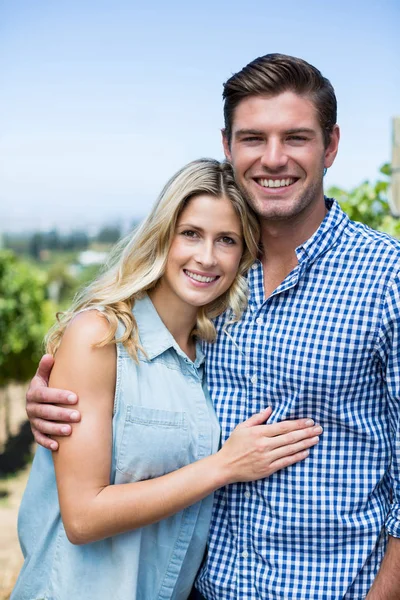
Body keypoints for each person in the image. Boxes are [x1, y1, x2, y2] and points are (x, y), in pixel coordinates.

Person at [25, 54, 400, 599]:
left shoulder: (387, 278)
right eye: (253, 138)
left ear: (331, 145)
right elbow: (133, 381)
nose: (274, 159)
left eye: (295, 137)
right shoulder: (211, 289)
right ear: (228, 146)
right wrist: (57, 398)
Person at [13, 158, 321, 600]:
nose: (207, 257)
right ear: (163, 235)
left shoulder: (215, 354)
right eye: (191, 233)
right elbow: (82, 517)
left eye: (227, 240)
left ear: (244, 255)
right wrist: (225, 466)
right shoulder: (98, 338)